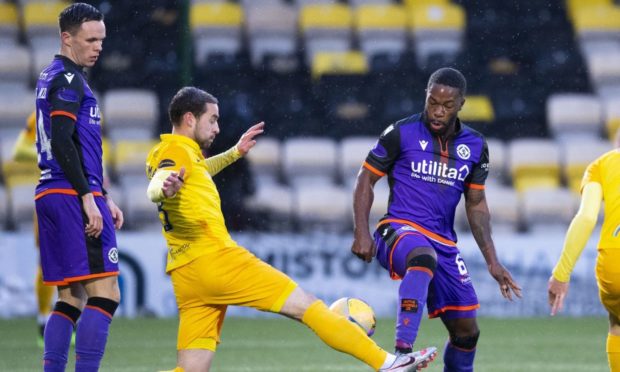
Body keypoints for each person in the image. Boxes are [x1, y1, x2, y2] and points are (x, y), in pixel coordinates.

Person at [145, 86, 437, 372]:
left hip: (186, 272)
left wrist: (234, 153)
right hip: (216, 259)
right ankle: (387, 364)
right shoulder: (174, 152)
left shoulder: (179, 154)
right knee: (306, 306)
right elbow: (159, 183)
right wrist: (163, 189)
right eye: (213, 119)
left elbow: (197, 171)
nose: (217, 127)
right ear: (189, 119)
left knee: (192, 369)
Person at [350, 67, 522, 372]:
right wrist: (361, 232)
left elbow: (477, 204)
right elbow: (365, 179)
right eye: (433, 103)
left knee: (467, 333)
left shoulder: (476, 146)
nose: (438, 112)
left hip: (443, 242)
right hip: (398, 230)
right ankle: (402, 355)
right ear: (426, 97)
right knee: (421, 256)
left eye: (446, 105)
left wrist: (493, 261)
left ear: (461, 105)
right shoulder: (400, 133)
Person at [34, 3, 123, 371]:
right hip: (72, 194)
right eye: (90, 39)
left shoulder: (50, 75)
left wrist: (104, 193)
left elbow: (75, 143)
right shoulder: (70, 80)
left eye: (101, 39)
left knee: (70, 298)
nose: (98, 46)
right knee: (106, 294)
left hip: (51, 193)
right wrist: (89, 197)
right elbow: (62, 139)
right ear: (66, 38)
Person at [548, 130, 620, 371]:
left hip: (613, 260)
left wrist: (561, 274)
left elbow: (587, 218)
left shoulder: (601, 164)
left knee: (617, 323)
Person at [11, 112, 55, 347]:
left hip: (79, 198)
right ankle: (43, 320)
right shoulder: (39, 116)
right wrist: (49, 154)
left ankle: (71, 321)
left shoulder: (84, 111)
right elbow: (18, 150)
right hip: (49, 196)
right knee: (46, 263)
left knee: (78, 261)